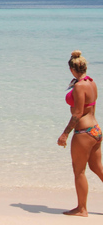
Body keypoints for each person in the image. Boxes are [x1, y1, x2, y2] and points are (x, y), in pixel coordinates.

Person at [58, 50, 103, 217]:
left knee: (79, 171)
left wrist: (65, 134)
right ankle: (81, 207)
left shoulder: (79, 86)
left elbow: (77, 114)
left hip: (84, 132)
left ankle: (82, 209)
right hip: (96, 130)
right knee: (97, 168)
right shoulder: (91, 82)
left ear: (71, 69)